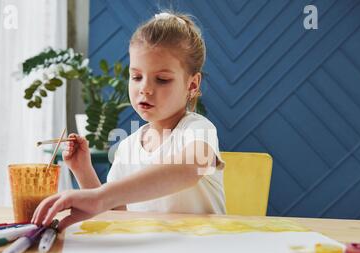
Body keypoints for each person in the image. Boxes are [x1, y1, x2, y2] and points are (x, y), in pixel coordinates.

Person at [32, 11, 226, 231]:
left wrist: (101, 196)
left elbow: (190, 168)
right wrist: (83, 170)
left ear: (192, 85)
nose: (144, 88)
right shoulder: (127, 147)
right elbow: (115, 215)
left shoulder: (198, 129)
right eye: (136, 77)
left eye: (162, 79)